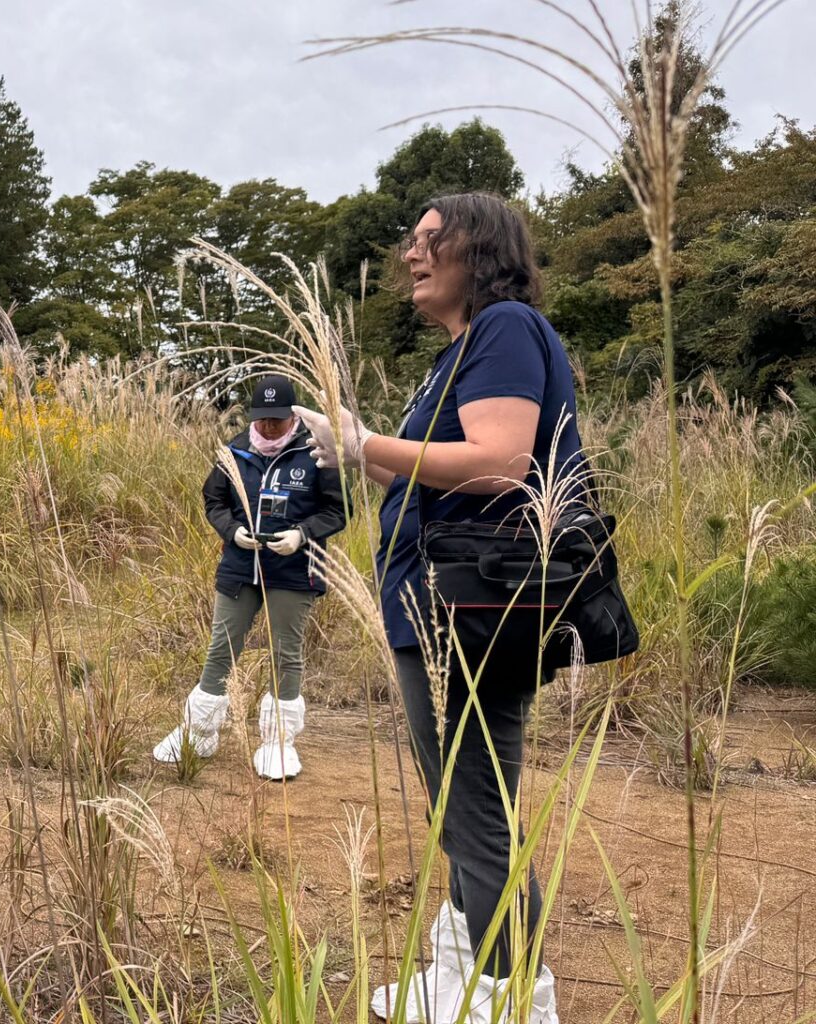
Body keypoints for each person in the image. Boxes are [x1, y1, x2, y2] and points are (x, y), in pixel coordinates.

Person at [295, 193, 572, 1022]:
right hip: (439, 602)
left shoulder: (505, 328)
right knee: (462, 796)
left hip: (471, 609)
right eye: (410, 242)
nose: (411, 255)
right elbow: (427, 474)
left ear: (477, 250)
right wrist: (354, 443)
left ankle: (513, 996)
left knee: (472, 800)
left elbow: (497, 463)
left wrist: (364, 444)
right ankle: (465, 973)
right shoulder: (454, 356)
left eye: (428, 241)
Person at [153, 374, 346, 780]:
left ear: (293, 417)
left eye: (277, 420)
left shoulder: (316, 451)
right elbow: (213, 499)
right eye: (263, 419)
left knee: (285, 653)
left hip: (294, 569)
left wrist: (302, 534)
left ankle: (278, 743)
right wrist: (231, 531)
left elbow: (338, 509)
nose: (269, 427)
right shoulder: (235, 450)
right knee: (221, 647)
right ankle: (199, 732)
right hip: (241, 565)